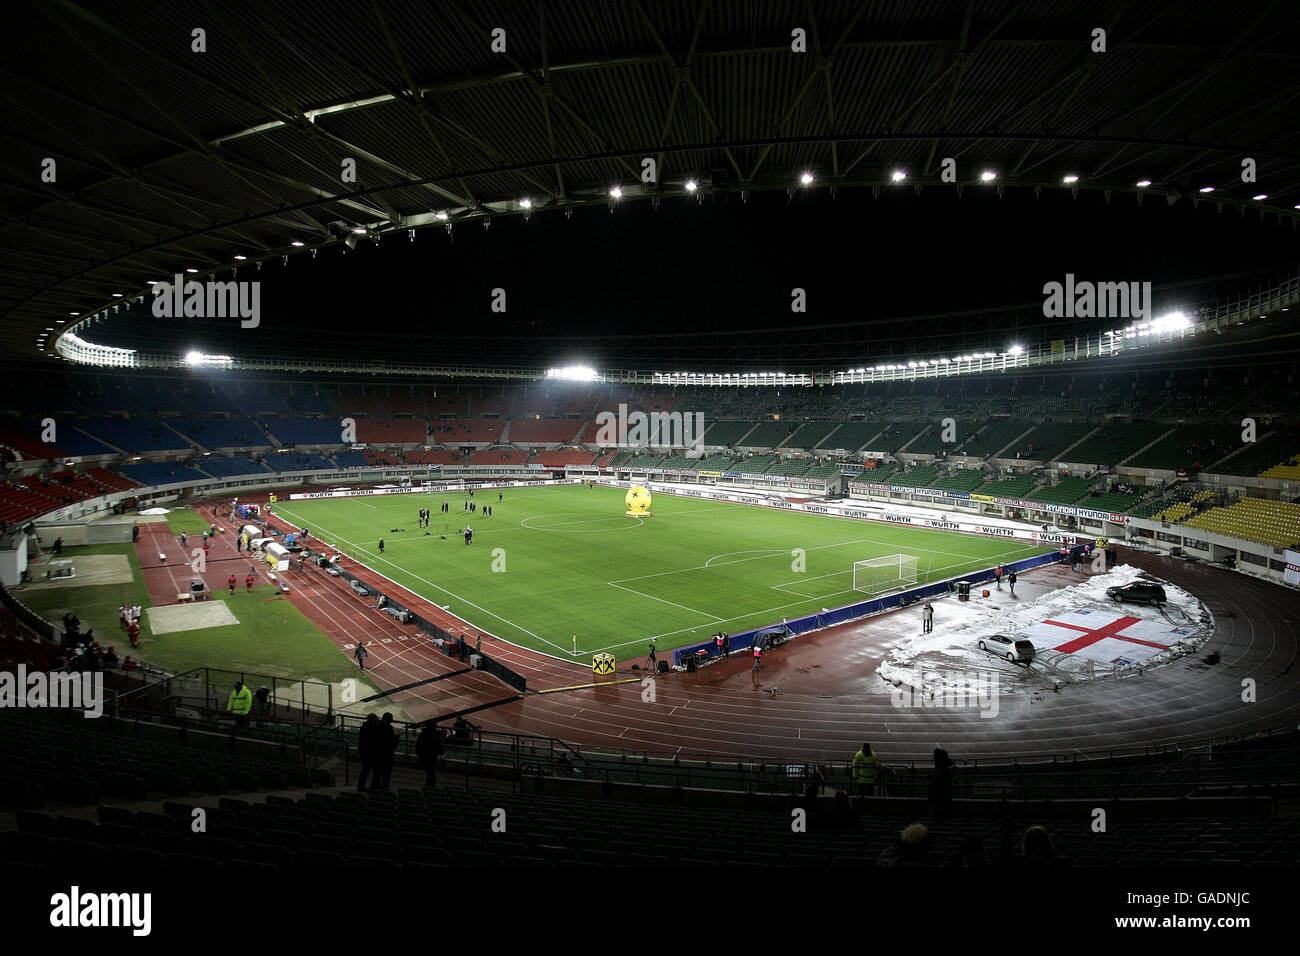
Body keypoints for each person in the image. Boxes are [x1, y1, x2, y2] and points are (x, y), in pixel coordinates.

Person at [356, 713, 382, 791]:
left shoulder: (365, 726)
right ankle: (373, 787)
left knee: (366, 770)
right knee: (373, 771)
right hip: (371, 753)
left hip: (365, 752)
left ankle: (361, 786)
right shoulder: (372, 728)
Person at [374, 712, 399, 791]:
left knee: (377, 772)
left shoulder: (377, 726)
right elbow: (392, 742)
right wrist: (396, 738)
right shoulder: (389, 728)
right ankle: (384, 787)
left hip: (377, 753)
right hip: (387, 754)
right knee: (386, 773)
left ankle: (375, 787)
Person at [416, 720, 444, 787]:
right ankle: (429, 788)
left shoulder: (423, 734)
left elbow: (418, 745)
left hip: (424, 756)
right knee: (431, 774)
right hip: (431, 756)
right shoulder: (434, 734)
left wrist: (419, 755)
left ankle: (428, 787)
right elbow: (437, 745)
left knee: (430, 773)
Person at [929, 747, 953, 821]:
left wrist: (931, 778)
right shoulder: (943, 769)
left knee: (938, 817)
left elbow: (938, 784)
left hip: (939, 799)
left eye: (934, 756)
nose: (933, 759)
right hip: (941, 799)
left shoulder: (941, 770)